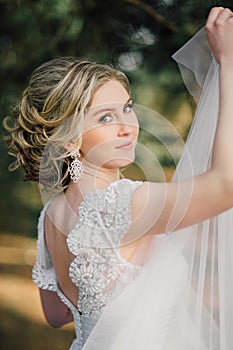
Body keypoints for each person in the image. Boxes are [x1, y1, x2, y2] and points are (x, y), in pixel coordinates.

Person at [3, 6, 233, 350]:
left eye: (127, 108)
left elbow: (56, 313)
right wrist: (228, 64)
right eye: (106, 118)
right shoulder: (122, 204)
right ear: (68, 139)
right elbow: (226, 185)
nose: (128, 127)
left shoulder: (51, 214)